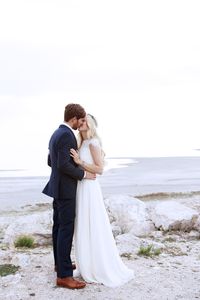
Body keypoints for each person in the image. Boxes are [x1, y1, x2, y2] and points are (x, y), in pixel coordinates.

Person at [70, 114, 135, 287]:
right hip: (81, 186)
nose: (82, 123)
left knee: (93, 224)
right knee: (82, 224)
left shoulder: (93, 143)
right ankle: (85, 264)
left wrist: (80, 161)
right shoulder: (80, 142)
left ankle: (98, 267)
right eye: (80, 120)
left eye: (85, 120)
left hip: (90, 189)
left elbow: (99, 169)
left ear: (90, 124)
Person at [42, 104, 96, 289]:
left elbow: (51, 161)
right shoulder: (66, 135)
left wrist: (63, 169)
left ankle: (60, 264)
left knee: (58, 227)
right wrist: (83, 174)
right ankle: (64, 276)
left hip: (56, 187)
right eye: (81, 120)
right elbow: (63, 165)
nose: (81, 123)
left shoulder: (56, 133)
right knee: (66, 229)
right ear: (74, 118)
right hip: (65, 190)